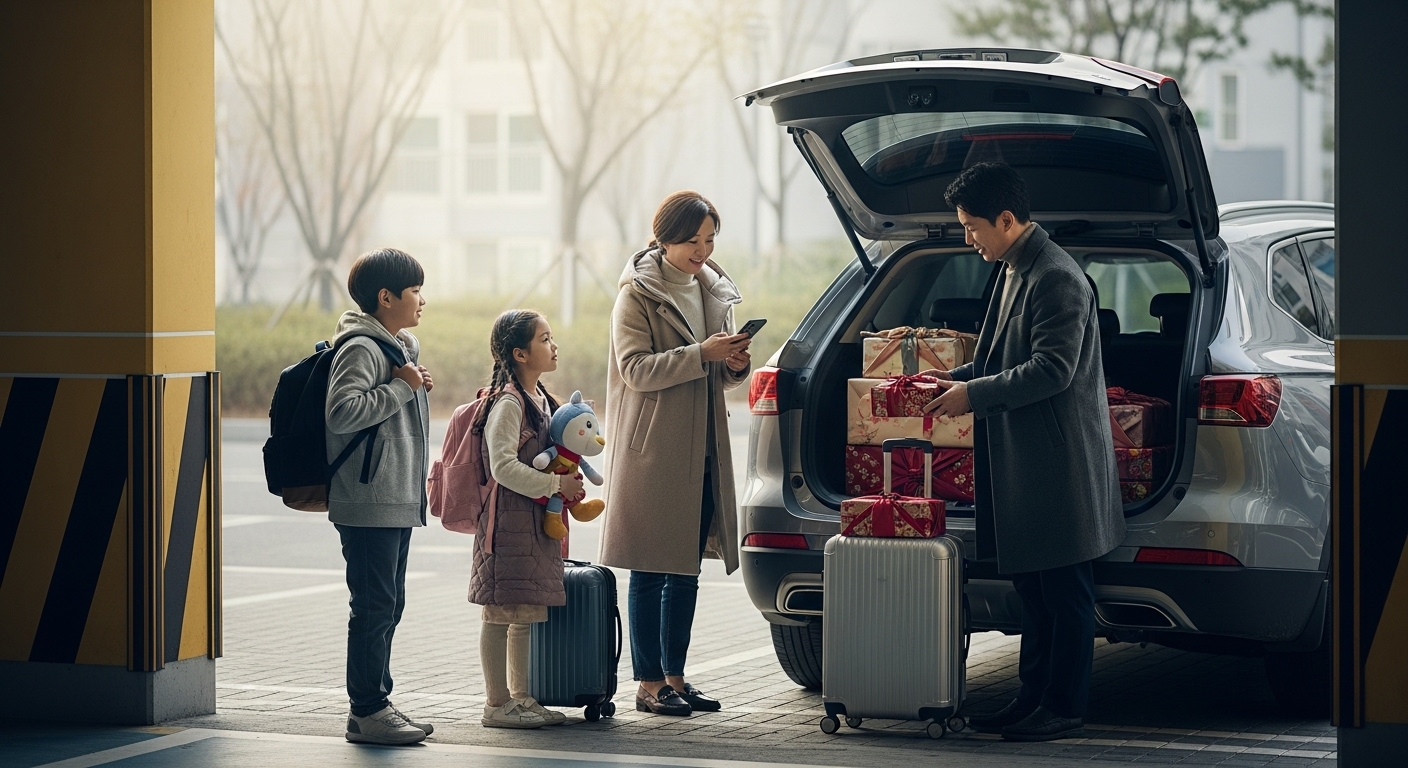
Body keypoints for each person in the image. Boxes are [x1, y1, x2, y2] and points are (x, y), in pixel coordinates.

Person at [924, 163, 1125, 741]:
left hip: (1057, 465)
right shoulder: (1016, 266)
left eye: (971, 227)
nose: (968, 239)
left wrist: (970, 394)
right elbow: (997, 357)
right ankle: (1031, 697)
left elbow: (1051, 370)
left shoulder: (1056, 277)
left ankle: (1064, 706)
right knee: (1035, 592)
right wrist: (952, 380)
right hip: (1026, 457)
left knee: (1065, 593)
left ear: (1006, 220)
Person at [599, 191, 752, 716]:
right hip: (653, 449)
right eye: (692, 240)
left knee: (686, 568)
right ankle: (646, 685)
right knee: (649, 568)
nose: (702, 250)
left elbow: (717, 375)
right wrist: (701, 353)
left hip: (703, 446)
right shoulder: (636, 295)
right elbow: (635, 369)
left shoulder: (711, 289)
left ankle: (675, 678)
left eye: (709, 239)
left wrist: (732, 363)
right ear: (663, 238)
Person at [326, 248, 435, 745]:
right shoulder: (362, 348)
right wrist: (399, 389)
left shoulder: (396, 347)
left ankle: (376, 704)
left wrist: (408, 383)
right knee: (373, 607)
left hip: (392, 499)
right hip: (369, 501)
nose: (421, 300)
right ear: (385, 297)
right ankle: (367, 710)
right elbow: (341, 413)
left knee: (388, 605)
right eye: (414, 291)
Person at [469, 309, 582, 729]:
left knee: (523, 614)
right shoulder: (509, 403)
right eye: (545, 339)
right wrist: (555, 488)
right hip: (508, 526)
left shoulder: (541, 399)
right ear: (520, 353)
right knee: (499, 614)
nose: (554, 346)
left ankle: (521, 698)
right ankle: (496, 705)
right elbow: (502, 467)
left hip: (531, 524)